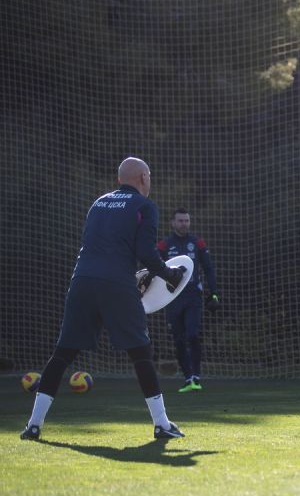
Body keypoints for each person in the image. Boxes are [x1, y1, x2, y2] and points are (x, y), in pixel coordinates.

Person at [21, 157, 188, 441]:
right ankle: (162, 424)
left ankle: (33, 425)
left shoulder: (98, 203)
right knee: (141, 353)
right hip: (117, 283)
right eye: (149, 175)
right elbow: (145, 252)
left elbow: (102, 246)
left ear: (119, 179)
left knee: (62, 354)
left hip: (82, 280)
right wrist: (169, 274)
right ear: (143, 178)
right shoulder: (145, 206)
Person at [157, 208, 219, 393]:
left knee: (192, 334)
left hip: (193, 296)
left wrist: (214, 293)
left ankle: (197, 377)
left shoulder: (197, 243)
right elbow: (155, 271)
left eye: (187, 221)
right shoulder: (164, 245)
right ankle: (188, 378)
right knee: (178, 339)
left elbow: (208, 268)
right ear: (173, 223)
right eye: (180, 221)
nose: (184, 224)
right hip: (173, 297)